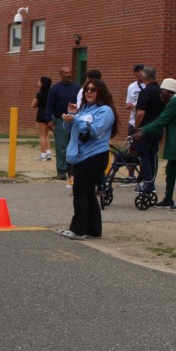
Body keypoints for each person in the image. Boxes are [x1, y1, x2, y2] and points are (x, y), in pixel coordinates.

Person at [56, 79, 118, 240]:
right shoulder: (84, 109)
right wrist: (71, 115)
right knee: (88, 192)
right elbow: (71, 129)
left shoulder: (105, 111)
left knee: (79, 191)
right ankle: (94, 230)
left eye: (93, 90)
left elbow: (95, 131)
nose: (89, 92)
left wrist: (76, 119)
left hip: (94, 156)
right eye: (86, 90)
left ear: (100, 92)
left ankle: (78, 230)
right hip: (81, 156)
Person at [132, 78, 176, 211]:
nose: (161, 95)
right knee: (170, 170)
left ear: (170, 92)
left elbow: (161, 121)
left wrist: (143, 131)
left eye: (163, 92)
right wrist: (144, 129)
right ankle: (168, 199)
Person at [45, 66, 80, 183]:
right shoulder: (55, 89)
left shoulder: (76, 88)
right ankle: (61, 170)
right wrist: (49, 120)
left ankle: (72, 170)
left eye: (70, 72)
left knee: (73, 145)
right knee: (61, 146)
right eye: (66, 73)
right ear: (61, 74)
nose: (68, 74)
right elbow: (49, 105)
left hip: (74, 119)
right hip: (60, 119)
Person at [133, 66, 163, 194]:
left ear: (144, 76)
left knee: (143, 156)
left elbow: (140, 112)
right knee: (153, 156)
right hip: (158, 127)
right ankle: (151, 181)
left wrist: (136, 127)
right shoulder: (161, 91)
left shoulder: (146, 92)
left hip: (145, 129)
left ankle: (148, 184)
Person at [31, 76, 52, 161]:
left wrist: (39, 106)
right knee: (46, 135)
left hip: (41, 114)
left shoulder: (39, 94)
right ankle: (49, 153)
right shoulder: (51, 94)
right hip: (49, 114)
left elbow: (33, 105)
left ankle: (43, 155)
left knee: (42, 136)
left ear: (42, 84)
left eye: (39, 81)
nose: (38, 83)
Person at [125, 64, 145, 136]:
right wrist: (132, 106)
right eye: (137, 71)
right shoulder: (131, 86)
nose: (140, 73)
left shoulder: (149, 86)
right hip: (133, 123)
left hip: (146, 123)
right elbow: (127, 105)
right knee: (131, 142)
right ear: (134, 74)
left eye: (142, 71)